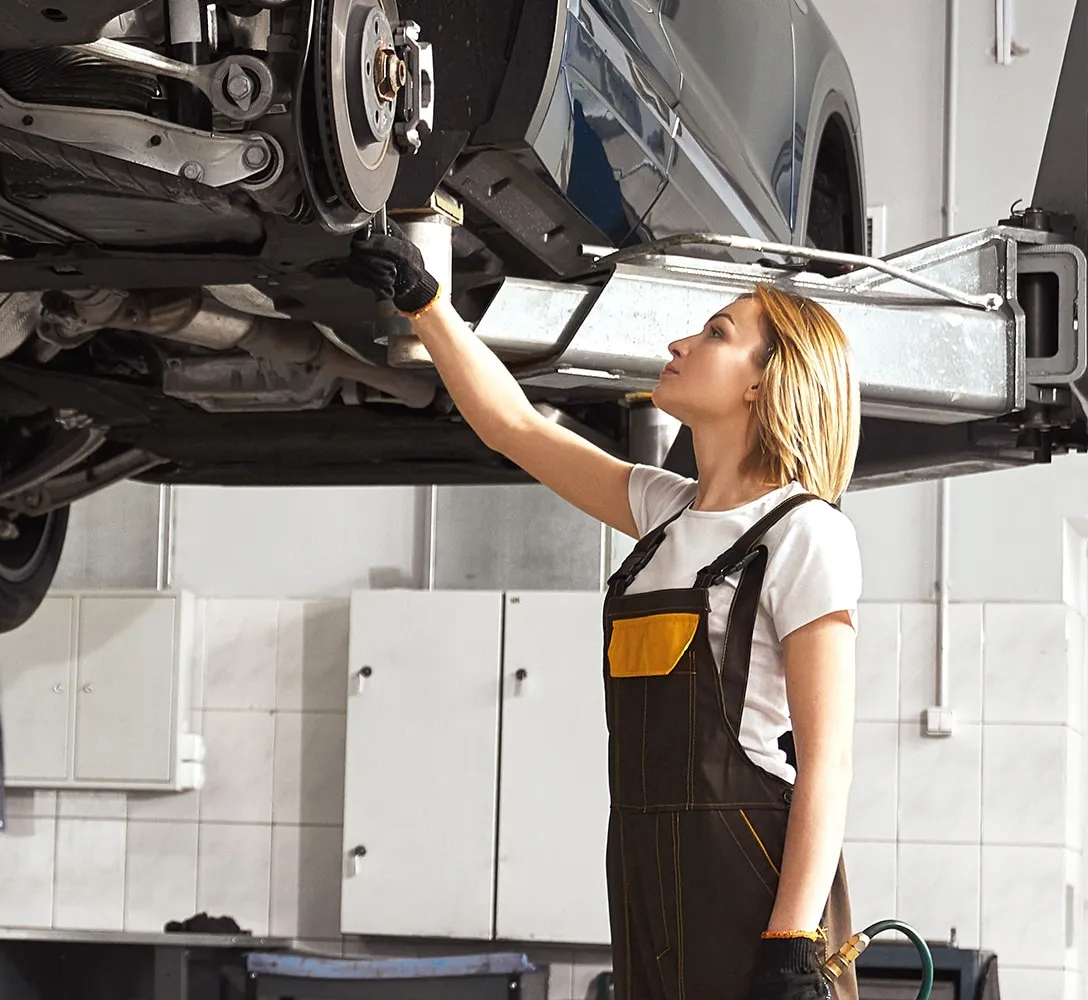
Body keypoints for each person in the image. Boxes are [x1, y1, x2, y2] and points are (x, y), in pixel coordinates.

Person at [347, 230, 863, 1000]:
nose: (680, 342)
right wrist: (428, 308)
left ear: (765, 382)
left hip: (750, 878)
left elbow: (828, 760)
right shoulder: (663, 512)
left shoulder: (805, 533)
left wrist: (791, 942)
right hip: (645, 866)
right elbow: (516, 429)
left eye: (717, 333)